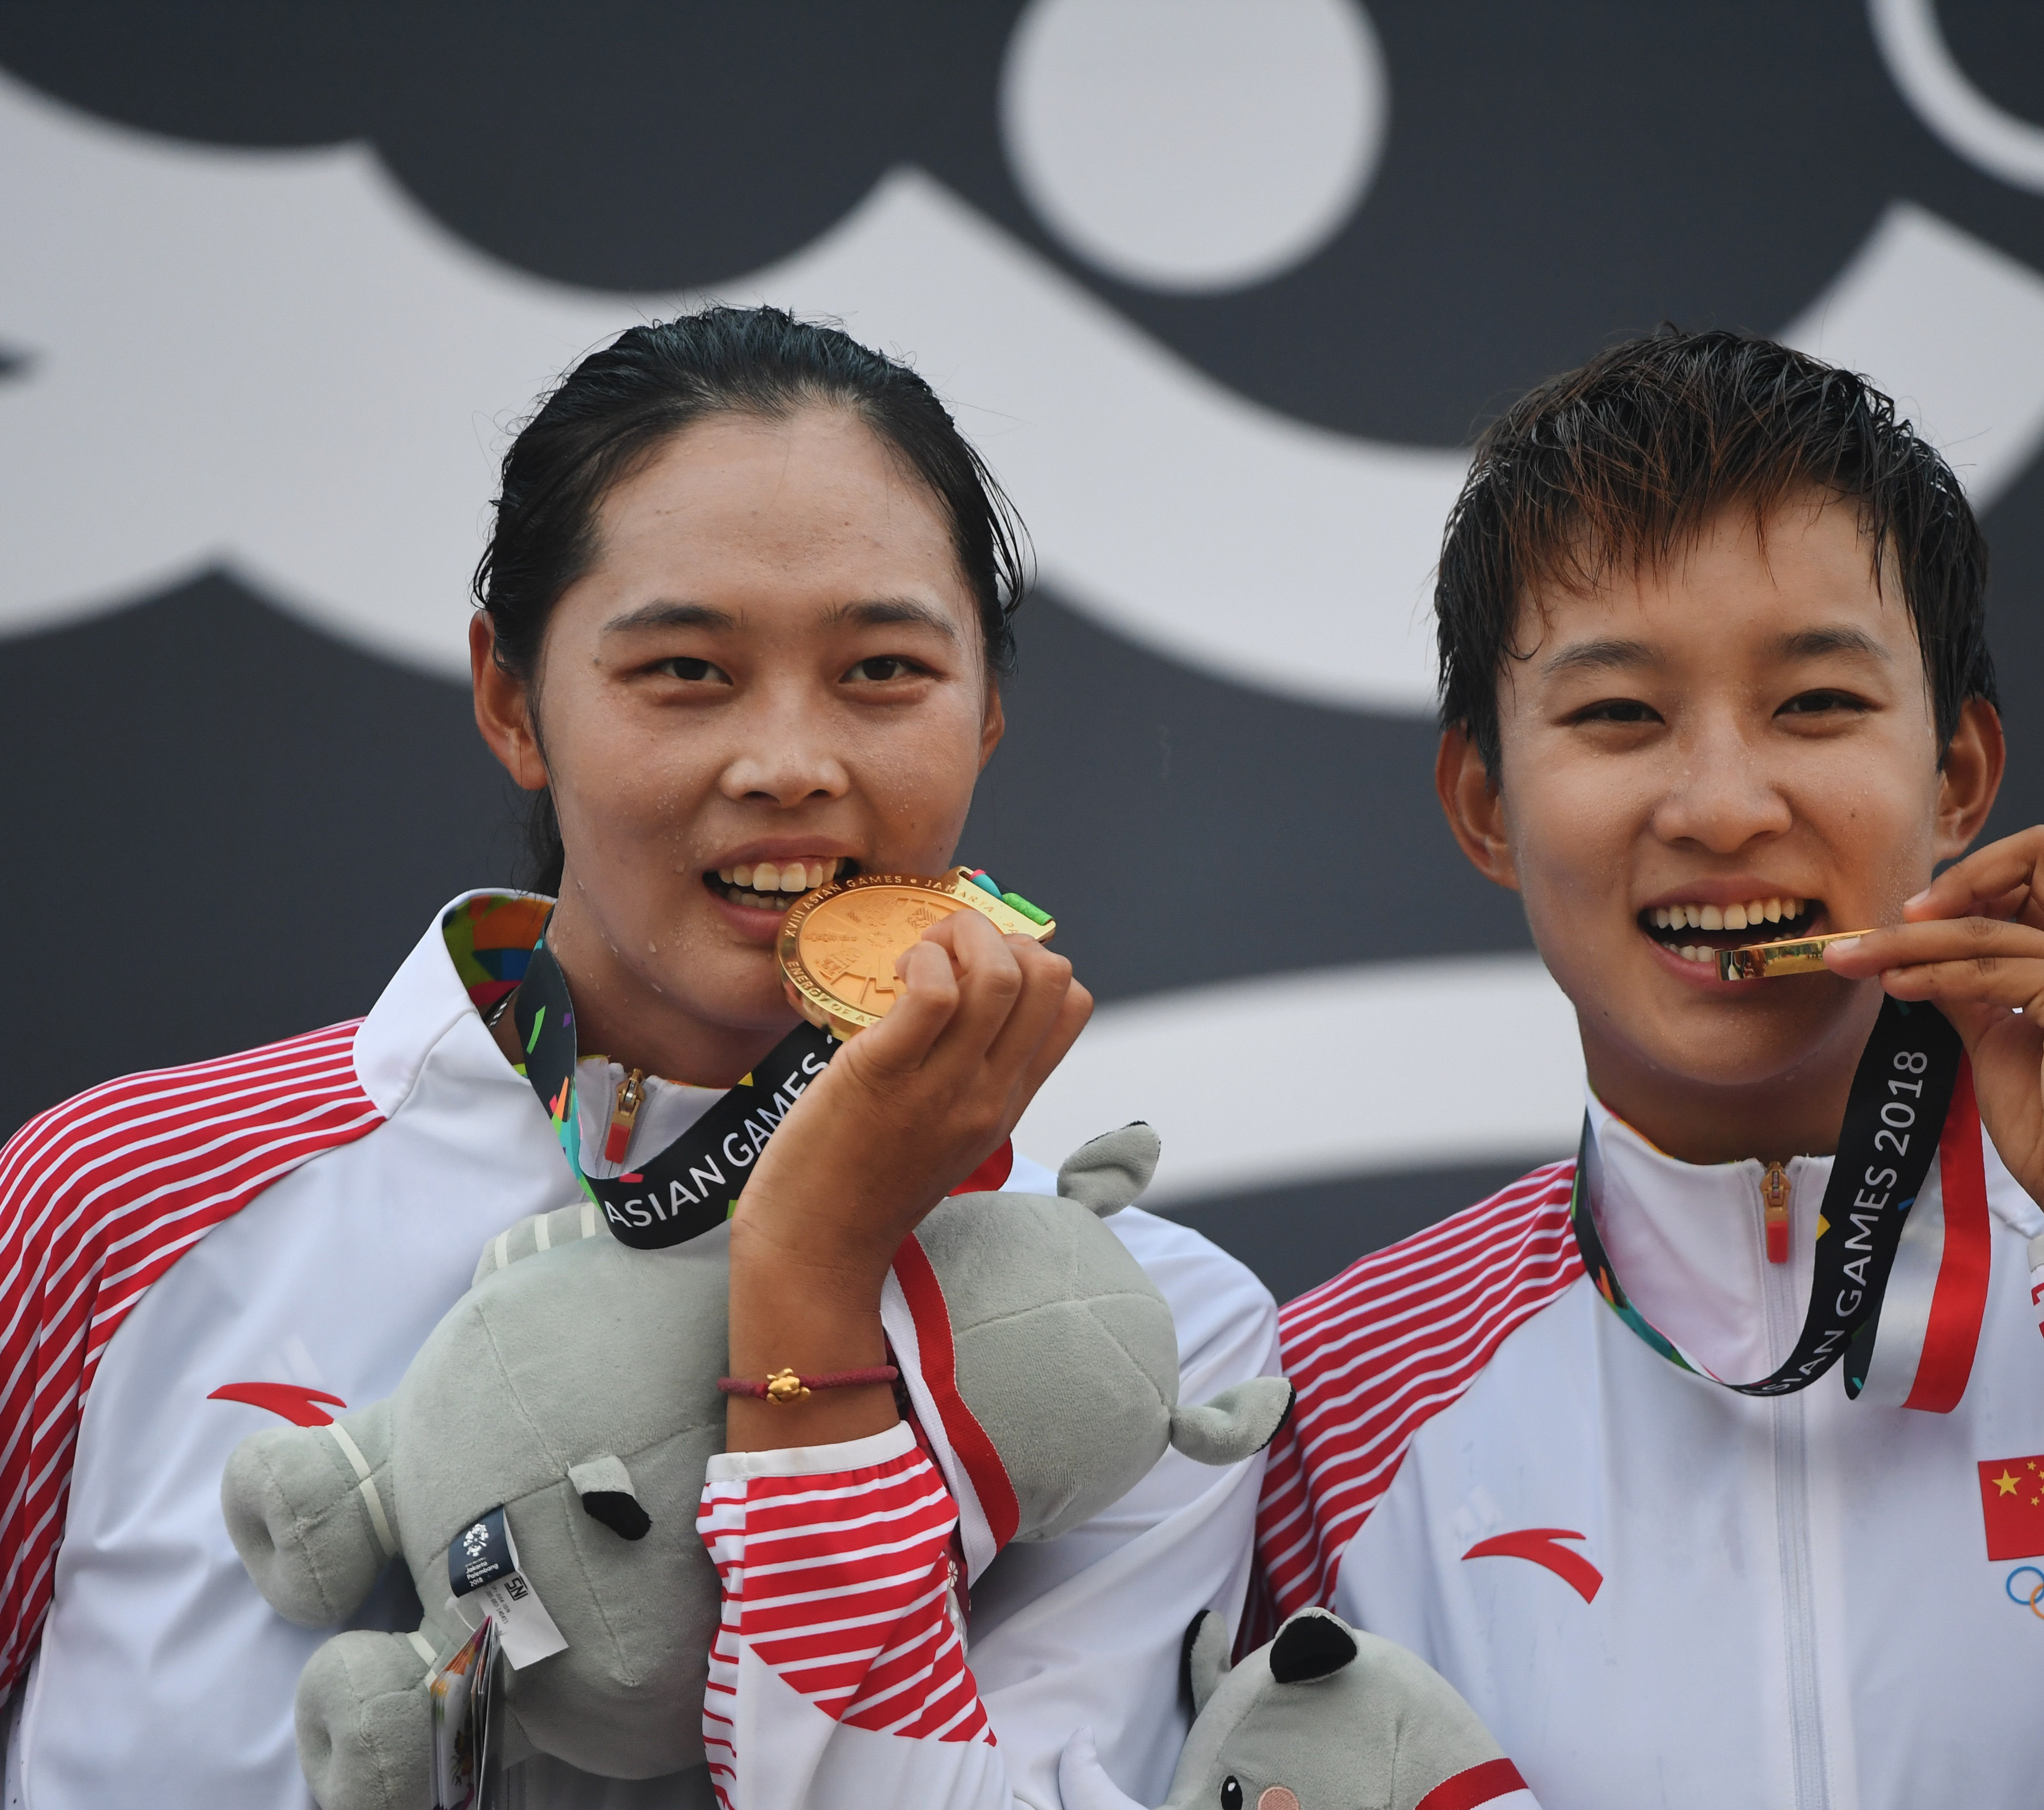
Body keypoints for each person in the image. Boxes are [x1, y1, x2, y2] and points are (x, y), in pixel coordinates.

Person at [0, 306, 1279, 1810]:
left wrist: (808, 1273)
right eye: (684, 670)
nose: (789, 760)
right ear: (510, 700)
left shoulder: (1146, 1342)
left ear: (988, 707)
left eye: (882, 671)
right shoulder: (123, 1200)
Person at [1251, 329, 2044, 1808]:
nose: (1721, 806)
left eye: (1816, 705)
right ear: (1483, 804)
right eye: (1616, 716)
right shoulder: (1340, 1388)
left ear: (1956, 776)